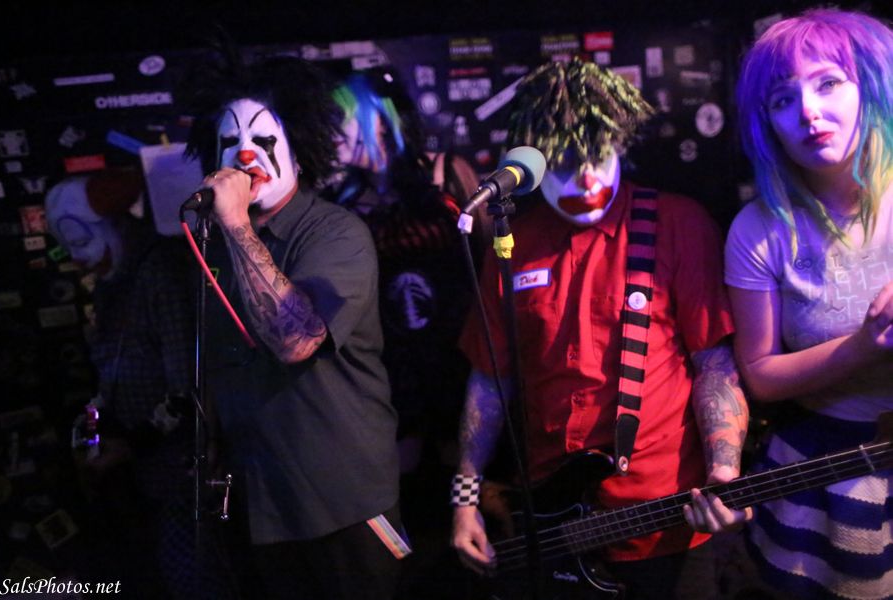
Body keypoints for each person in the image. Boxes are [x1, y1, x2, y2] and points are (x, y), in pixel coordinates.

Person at [449, 57, 751, 599]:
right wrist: (465, 499)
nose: (587, 179)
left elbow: (714, 363)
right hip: (552, 525)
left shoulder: (677, 223)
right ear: (536, 159)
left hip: (666, 520)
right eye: (567, 163)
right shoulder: (510, 243)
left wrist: (724, 470)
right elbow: (490, 380)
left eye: (600, 157)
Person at [182, 53, 406, 600]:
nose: (245, 154)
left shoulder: (336, 232)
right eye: (230, 141)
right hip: (262, 503)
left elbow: (295, 339)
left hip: (342, 503)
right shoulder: (213, 245)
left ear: (300, 151)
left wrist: (236, 223)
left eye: (264, 138)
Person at [727, 8, 893, 598]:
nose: (808, 112)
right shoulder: (758, 231)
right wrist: (865, 344)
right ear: (766, 123)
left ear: (870, 86)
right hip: (823, 470)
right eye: (782, 99)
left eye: (828, 83)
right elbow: (760, 375)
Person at [45, 170, 228, 599]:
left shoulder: (159, 273)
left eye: (81, 240)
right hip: (143, 476)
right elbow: (114, 371)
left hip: (180, 474)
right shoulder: (114, 286)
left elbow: (187, 388)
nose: (79, 259)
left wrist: (130, 443)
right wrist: (96, 426)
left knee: (192, 576)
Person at [323, 69, 472, 474]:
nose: (330, 131)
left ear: (378, 117)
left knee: (463, 471)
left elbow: (488, 265)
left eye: (340, 117)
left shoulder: (446, 173)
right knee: (400, 478)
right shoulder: (342, 202)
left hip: (456, 353)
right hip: (390, 367)